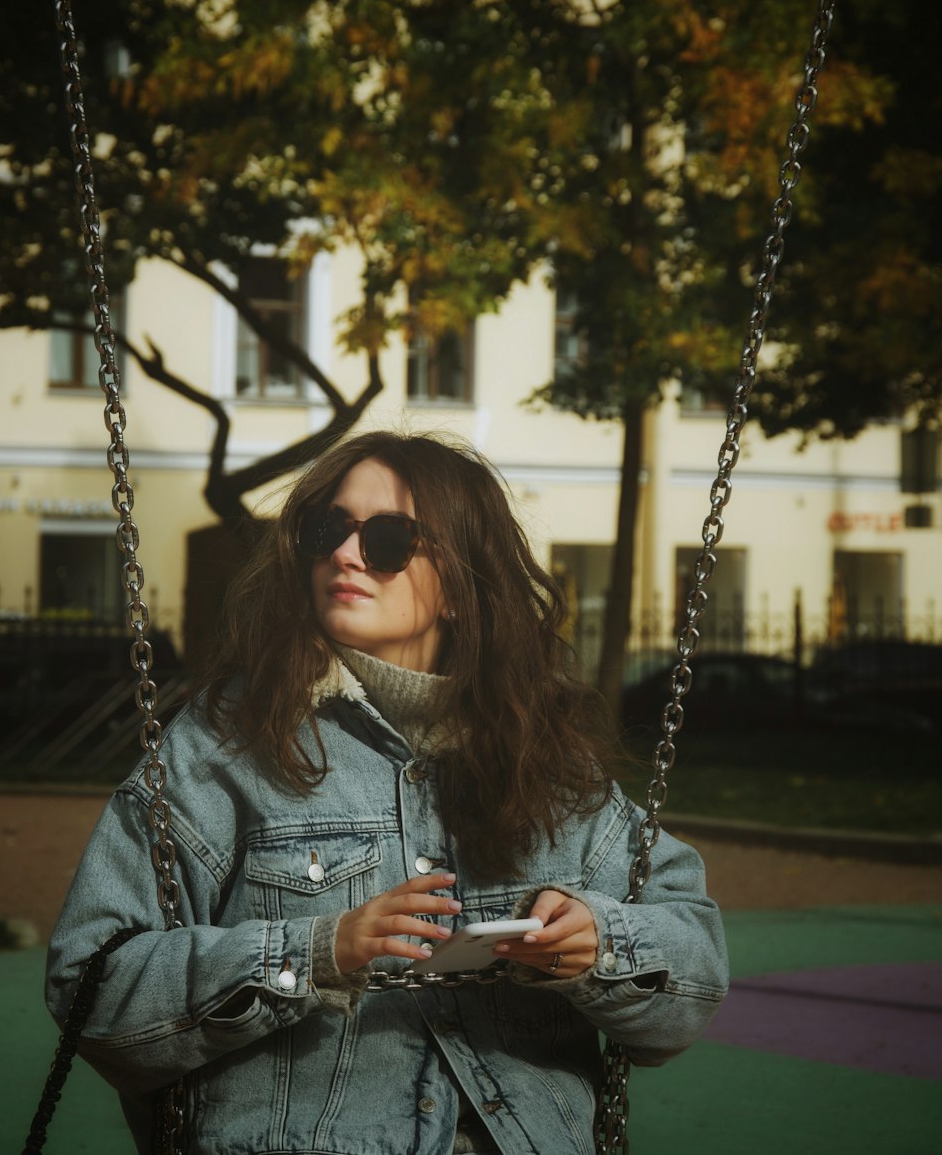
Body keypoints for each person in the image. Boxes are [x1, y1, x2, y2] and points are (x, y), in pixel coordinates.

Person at [46, 430, 728, 1155]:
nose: (344, 553)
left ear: (462, 588)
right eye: (327, 529)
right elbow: (90, 986)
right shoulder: (226, 744)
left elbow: (693, 978)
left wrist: (598, 946)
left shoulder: (544, 757)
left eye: (389, 539)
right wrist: (315, 953)